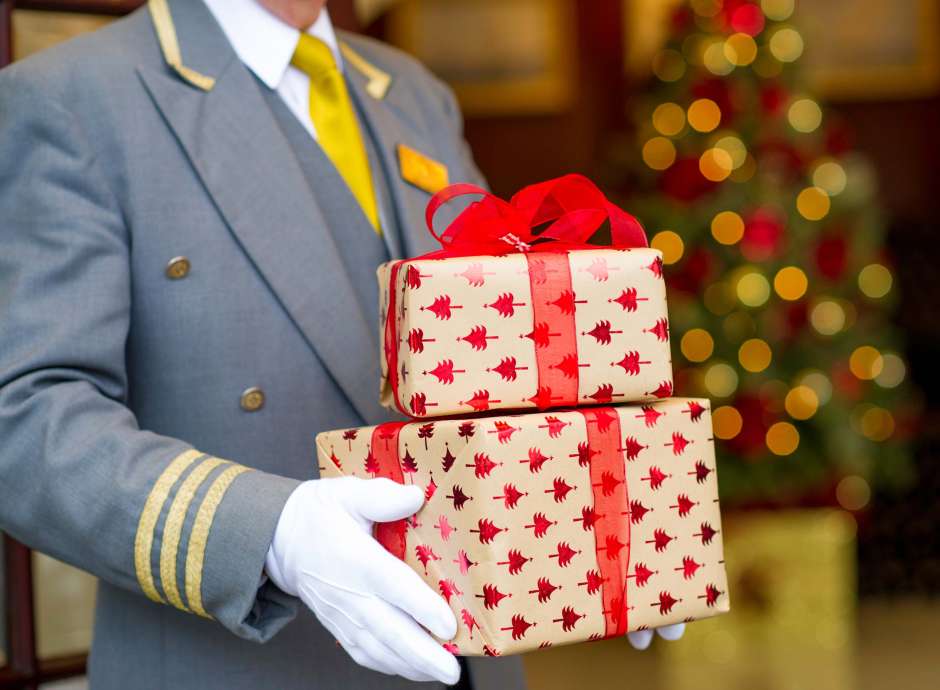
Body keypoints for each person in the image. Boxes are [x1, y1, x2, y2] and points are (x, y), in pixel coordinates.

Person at [0, 0, 684, 687]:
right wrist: (271, 533)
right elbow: (25, 422)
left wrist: (589, 507)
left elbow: (490, 360)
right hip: (243, 668)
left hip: (468, 658)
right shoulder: (71, 98)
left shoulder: (414, 92)